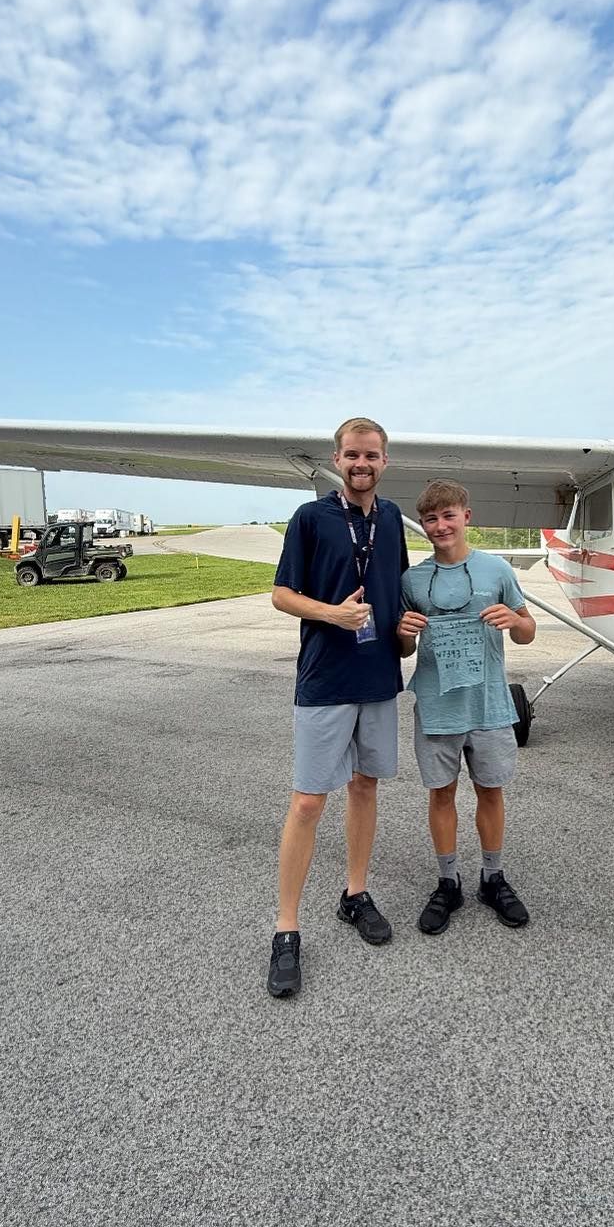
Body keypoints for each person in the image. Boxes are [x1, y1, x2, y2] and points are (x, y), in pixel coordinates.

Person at [267, 417, 409, 998]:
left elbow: (396, 588)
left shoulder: (394, 518)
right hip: (325, 678)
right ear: (337, 458)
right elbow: (281, 594)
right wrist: (332, 613)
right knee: (306, 802)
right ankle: (285, 929)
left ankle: (355, 894)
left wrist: (406, 632)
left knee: (366, 787)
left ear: (384, 461)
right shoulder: (311, 518)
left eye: (372, 455)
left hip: (378, 677)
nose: (362, 464)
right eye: (353, 454)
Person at [396, 481, 536, 936]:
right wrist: (404, 631)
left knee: (491, 791)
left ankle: (492, 878)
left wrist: (514, 620)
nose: (440, 526)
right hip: (438, 706)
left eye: (448, 516)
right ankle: (448, 881)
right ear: (424, 525)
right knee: (441, 793)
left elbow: (527, 630)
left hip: (489, 704)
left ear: (466, 516)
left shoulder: (496, 570)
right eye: (431, 519)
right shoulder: (412, 580)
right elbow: (401, 648)